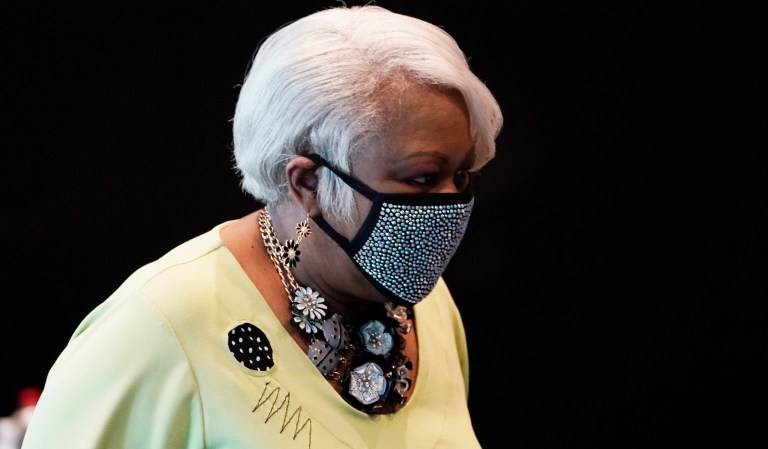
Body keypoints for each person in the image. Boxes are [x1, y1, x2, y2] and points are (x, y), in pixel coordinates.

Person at [21, 4, 503, 448]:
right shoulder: (160, 324)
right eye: (423, 178)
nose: (451, 203)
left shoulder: (427, 301)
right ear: (308, 182)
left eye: (461, 175)